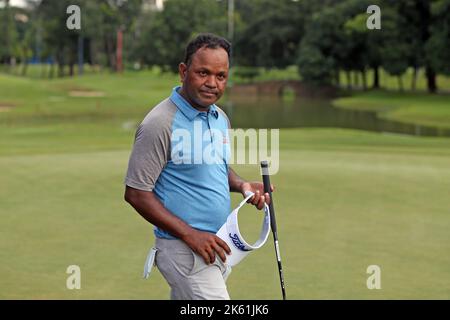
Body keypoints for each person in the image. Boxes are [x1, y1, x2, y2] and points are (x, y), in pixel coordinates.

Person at [124, 33, 273, 300]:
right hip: (183, 249)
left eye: (221, 76)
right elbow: (136, 193)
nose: (212, 84)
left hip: (217, 245)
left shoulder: (219, 117)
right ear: (183, 71)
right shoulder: (160, 123)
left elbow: (216, 168)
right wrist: (191, 235)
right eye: (203, 73)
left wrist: (242, 185)